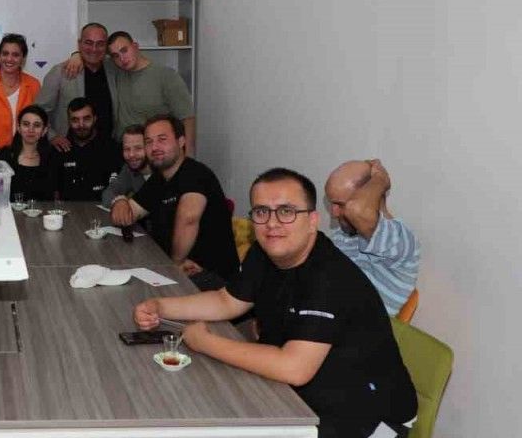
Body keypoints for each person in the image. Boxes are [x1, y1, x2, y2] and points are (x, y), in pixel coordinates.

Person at [133, 168, 417, 438]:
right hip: (300, 397)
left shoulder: (328, 277)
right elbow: (226, 301)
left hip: (366, 418)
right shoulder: (264, 252)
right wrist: (161, 306)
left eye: (286, 211)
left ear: (313, 221)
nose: (272, 223)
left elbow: (294, 368)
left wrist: (205, 342)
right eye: (261, 212)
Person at [110, 115, 236, 290]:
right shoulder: (159, 178)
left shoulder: (196, 174)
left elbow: (188, 219)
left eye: (162, 139)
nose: (155, 147)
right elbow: (129, 213)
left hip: (209, 276)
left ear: (181, 141)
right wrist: (120, 201)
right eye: (149, 142)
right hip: (169, 264)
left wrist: (174, 265)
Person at [324, 159, 421, 316]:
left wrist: (380, 179)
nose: (334, 213)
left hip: (357, 327)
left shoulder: (398, 240)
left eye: (341, 204)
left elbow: (357, 210)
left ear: (372, 198)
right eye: (332, 204)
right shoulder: (342, 236)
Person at [106, 31, 196, 156]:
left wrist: (188, 155)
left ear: (135, 47)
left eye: (124, 50)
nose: (122, 58)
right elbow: (92, 56)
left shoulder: (166, 76)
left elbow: (187, 118)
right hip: (124, 151)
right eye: (116, 56)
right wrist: (78, 55)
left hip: (155, 152)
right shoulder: (117, 70)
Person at [36, 22, 118, 149]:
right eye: (88, 43)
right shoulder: (60, 72)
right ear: (79, 44)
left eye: (100, 44)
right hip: (69, 150)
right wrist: (52, 136)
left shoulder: (114, 69)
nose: (94, 49)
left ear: (106, 46)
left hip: (108, 149)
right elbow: (39, 111)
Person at [57, 97, 120, 202]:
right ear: (68, 121)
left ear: (95, 118)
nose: (81, 125)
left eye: (86, 119)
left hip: (103, 208)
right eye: (75, 120)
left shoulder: (111, 148)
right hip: (68, 209)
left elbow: (118, 188)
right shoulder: (60, 149)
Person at [0, 105, 61, 203]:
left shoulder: (53, 158)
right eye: (26, 124)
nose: (31, 130)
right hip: (11, 212)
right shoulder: (4, 156)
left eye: (37, 125)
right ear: (19, 128)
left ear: (44, 130)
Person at [100, 124, 151, 209]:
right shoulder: (128, 169)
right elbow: (108, 193)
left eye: (138, 148)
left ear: (149, 148)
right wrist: (120, 204)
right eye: (127, 149)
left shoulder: (162, 168)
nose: (131, 155)